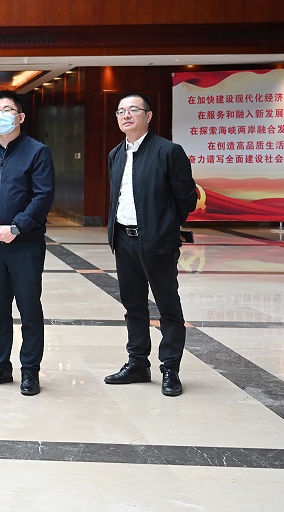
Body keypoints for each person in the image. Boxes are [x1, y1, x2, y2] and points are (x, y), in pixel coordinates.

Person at [105, 94, 197, 397]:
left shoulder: (168, 151)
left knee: (168, 306)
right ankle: (137, 363)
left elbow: (186, 198)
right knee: (133, 305)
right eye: (121, 111)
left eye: (133, 110)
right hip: (123, 239)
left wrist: (165, 225)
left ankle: (170, 367)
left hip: (157, 241)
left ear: (148, 116)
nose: (126, 115)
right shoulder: (116, 154)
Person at [0, 90, 54, 397]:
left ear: (20, 117)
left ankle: (30, 370)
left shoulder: (37, 152)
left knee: (29, 309)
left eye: (6, 110)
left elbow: (42, 196)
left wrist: (16, 227)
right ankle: (0, 366)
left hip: (25, 245)